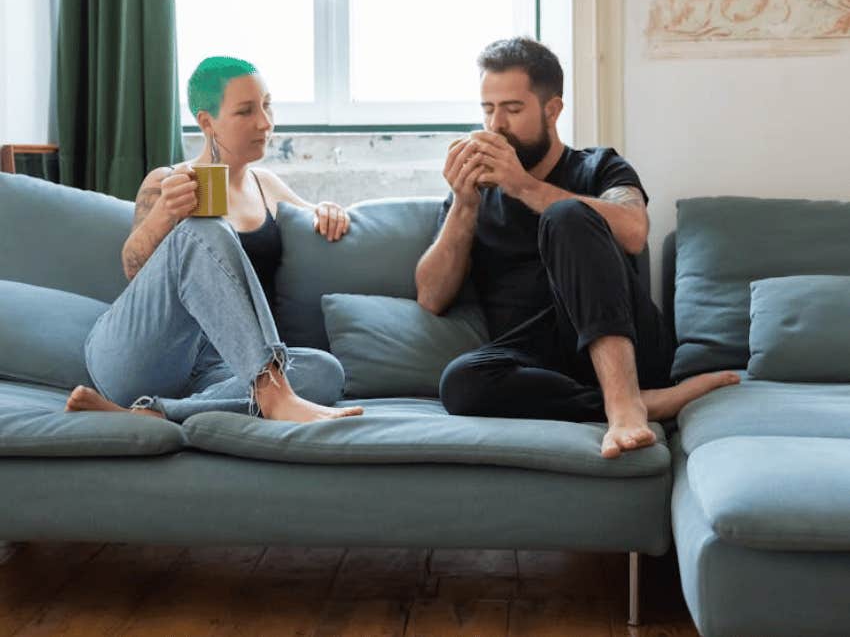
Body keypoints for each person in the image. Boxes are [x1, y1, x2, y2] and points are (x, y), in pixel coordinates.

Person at [416, 37, 738, 458]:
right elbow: (432, 297)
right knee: (460, 383)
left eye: (513, 109)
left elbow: (633, 231)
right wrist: (464, 204)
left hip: (627, 343)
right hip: (538, 361)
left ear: (552, 110)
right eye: (488, 109)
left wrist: (526, 187)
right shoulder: (475, 195)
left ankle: (625, 407)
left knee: (566, 215)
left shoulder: (599, 166)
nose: (496, 126)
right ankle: (644, 402)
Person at [65, 56, 364, 424]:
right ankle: (274, 395)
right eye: (246, 111)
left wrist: (327, 210)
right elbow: (132, 271)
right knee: (205, 227)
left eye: (267, 106)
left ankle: (152, 415)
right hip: (146, 354)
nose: (265, 123)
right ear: (207, 122)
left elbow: (313, 212)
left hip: (223, 368)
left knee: (324, 370)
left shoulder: (267, 186)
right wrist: (165, 215)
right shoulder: (168, 180)